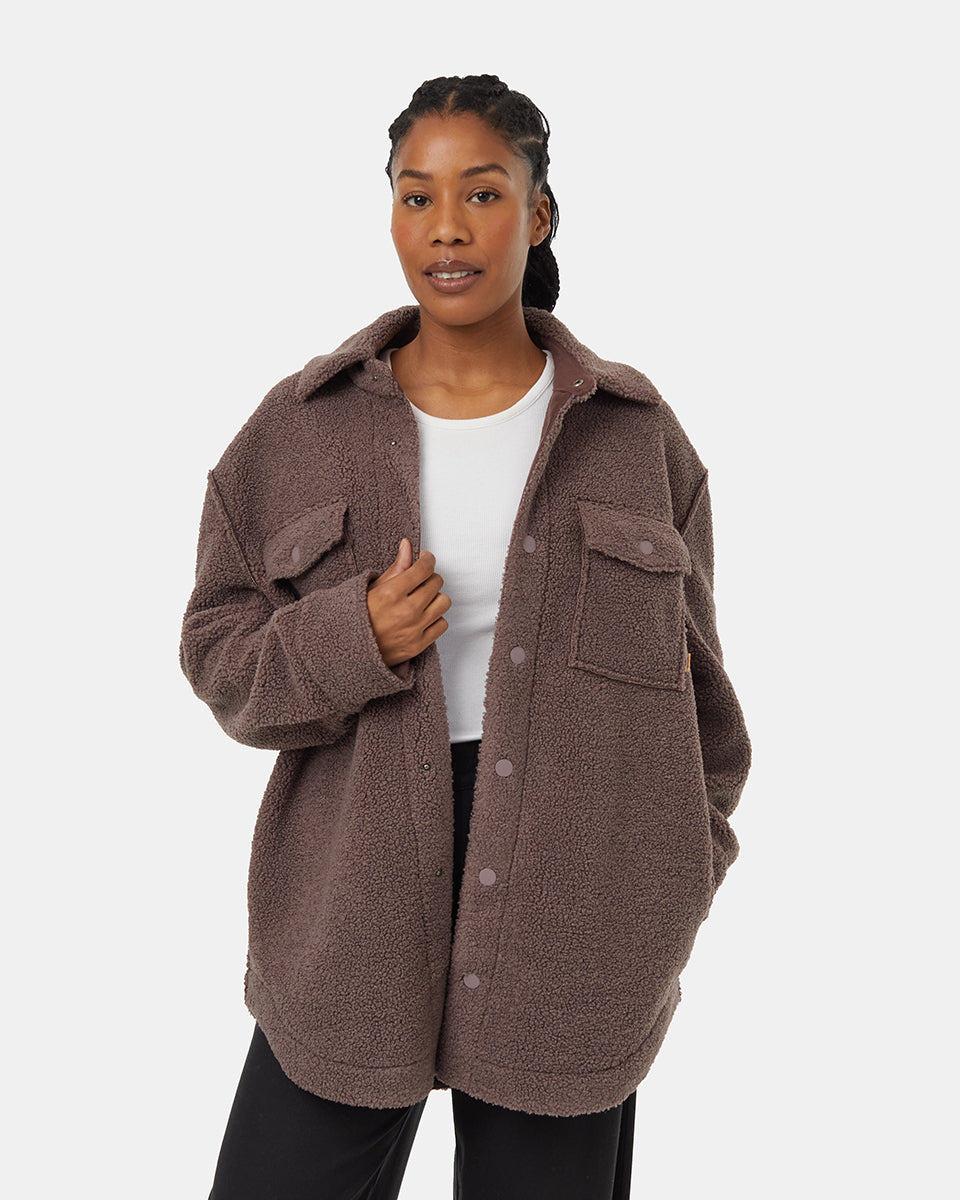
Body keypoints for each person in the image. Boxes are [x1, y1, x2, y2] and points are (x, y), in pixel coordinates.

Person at [179, 73, 752, 1200]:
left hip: (578, 927)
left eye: (482, 194)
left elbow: (706, 710)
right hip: (348, 914)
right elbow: (216, 649)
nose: (446, 227)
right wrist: (349, 637)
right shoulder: (300, 428)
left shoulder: (634, 438)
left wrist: (678, 875)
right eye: (416, 195)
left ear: (539, 215)